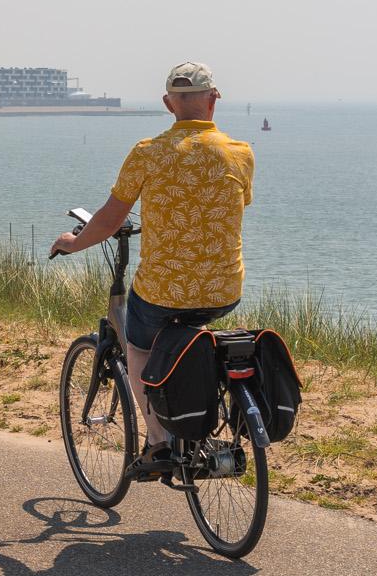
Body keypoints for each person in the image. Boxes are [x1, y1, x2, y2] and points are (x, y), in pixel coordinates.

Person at [51, 61, 255, 474]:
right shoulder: (241, 153)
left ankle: (160, 444)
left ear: (168, 104)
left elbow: (108, 221)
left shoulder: (148, 153)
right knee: (195, 327)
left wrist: (73, 242)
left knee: (138, 346)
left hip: (162, 291)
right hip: (224, 291)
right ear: (214, 99)